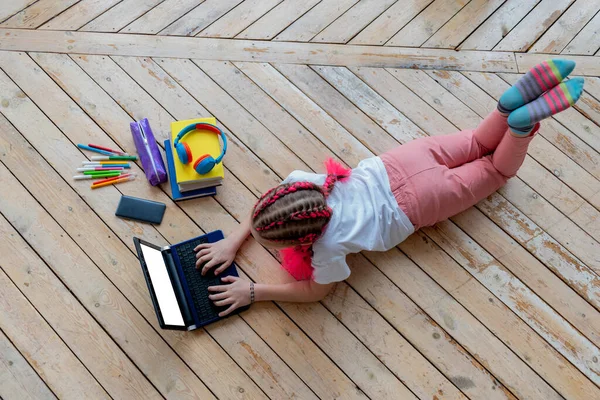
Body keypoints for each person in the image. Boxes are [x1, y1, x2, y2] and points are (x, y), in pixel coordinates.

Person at [195, 60, 584, 317]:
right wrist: (234, 239)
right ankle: (505, 108)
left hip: (418, 203)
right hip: (399, 163)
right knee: (474, 143)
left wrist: (254, 292)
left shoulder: (326, 250)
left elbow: (316, 292)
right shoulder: (302, 183)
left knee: (495, 171)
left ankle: (519, 128)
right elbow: (266, 207)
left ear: (301, 239)